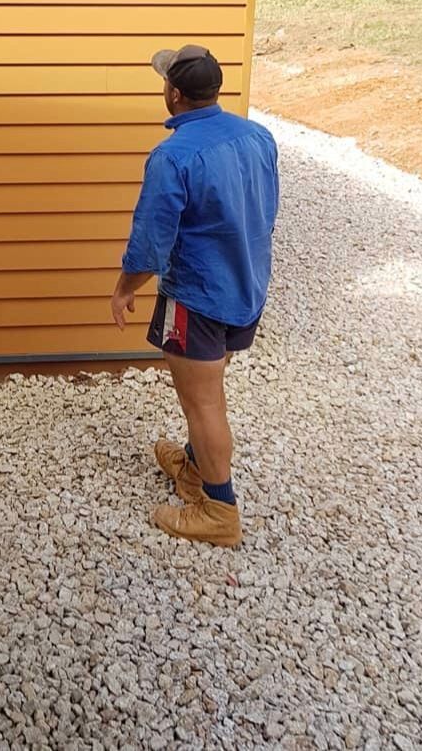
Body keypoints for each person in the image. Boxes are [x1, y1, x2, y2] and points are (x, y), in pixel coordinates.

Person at [110, 45, 279, 547]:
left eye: (165, 82)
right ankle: (193, 468)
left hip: (199, 298)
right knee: (206, 384)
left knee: (203, 402)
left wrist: (123, 290)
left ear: (175, 93)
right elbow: (264, 209)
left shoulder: (174, 155)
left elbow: (150, 239)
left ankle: (219, 511)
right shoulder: (258, 136)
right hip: (246, 288)